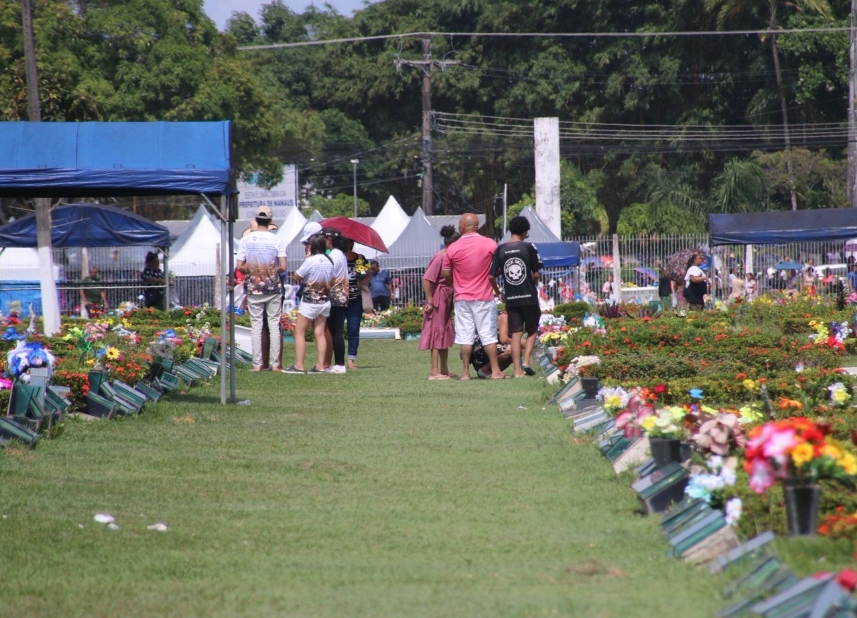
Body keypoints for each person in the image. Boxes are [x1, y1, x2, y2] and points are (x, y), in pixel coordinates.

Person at [442, 212, 506, 380]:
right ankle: (495, 370)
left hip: (462, 298)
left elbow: (446, 273)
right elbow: (498, 268)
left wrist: (457, 281)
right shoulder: (490, 243)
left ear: (462, 227)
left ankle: (465, 373)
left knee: (465, 336)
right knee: (488, 335)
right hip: (484, 297)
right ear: (477, 226)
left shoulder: (453, 247)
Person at [489, 215, 543, 378]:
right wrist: (532, 282)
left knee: (516, 332)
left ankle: (518, 371)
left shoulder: (500, 249)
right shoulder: (529, 247)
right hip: (529, 296)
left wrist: (498, 293)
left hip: (511, 299)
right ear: (526, 232)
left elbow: (491, 276)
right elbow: (536, 274)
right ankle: (526, 361)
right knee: (533, 329)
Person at [236, 205, 287, 372]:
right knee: (273, 325)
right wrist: (269, 269)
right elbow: (283, 266)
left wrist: (253, 269)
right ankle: (275, 364)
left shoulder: (246, 240)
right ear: (271, 221)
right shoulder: (277, 240)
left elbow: (240, 267)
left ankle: (257, 364)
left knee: (256, 326)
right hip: (273, 288)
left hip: (254, 288)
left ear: (256, 220)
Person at [283, 234, 332, 374]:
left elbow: (297, 276)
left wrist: (306, 260)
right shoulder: (330, 261)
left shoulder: (310, 261)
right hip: (325, 300)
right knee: (320, 333)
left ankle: (299, 365)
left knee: (299, 333)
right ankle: (320, 366)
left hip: (310, 301)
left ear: (312, 247)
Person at [420, 225, 459, 380]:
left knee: (443, 332)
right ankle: (434, 371)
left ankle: (444, 369)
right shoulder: (440, 256)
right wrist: (430, 300)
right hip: (437, 298)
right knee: (436, 332)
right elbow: (427, 279)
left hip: (447, 297)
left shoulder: (450, 257)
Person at [321, 227, 349, 374]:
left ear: (329, 239)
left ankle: (339, 364)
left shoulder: (334, 255)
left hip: (335, 296)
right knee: (335, 331)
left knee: (336, 332)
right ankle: (337, 363)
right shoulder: (341, 254)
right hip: (342, 296)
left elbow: (329, 275)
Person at [344, 238, 370, 369]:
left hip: (355, 299)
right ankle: (335, 359)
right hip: (340, 300)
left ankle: (351, 359)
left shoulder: (361, 258)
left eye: (350, 242)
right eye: (347, 242)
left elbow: (368, 274)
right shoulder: (337, 257)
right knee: (336, 331)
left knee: (353, 330)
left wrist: (363, 281)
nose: (349, 244)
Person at [471, 310, 514, 379]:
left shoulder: (513, 318)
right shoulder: (504, 316)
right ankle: (485, 370)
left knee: (518, 348)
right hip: (482, 353)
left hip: (487, 351)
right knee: (513, 349)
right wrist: (525, 344)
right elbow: (504, 339)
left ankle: (492, 371)